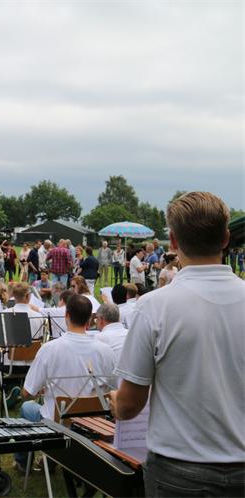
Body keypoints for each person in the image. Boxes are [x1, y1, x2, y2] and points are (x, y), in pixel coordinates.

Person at [111, 192, 245, 497]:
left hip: (179, 470)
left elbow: (130, 406)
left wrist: (115, 401)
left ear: (172, 241)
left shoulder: (154, 306)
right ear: (226, 238)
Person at [15, 295, 116, 471]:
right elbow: (114, 388)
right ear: (90, 319)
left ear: (66, 315)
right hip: (94, 422)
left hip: (57, 423)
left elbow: (27, 393)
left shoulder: (49, 348)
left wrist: (39, 391)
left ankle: (24, 464)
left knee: (26, 407)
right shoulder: (106, 350)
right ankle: (52, 459)